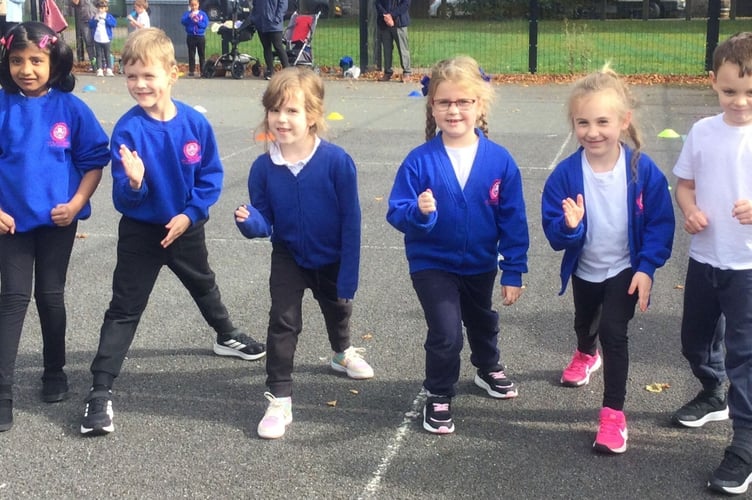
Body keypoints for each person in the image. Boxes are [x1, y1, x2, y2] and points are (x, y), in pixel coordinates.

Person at [79, 28, 266, 437]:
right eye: (131, 76)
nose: (140, 84)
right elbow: (126, 203)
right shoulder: (128, 131)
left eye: (148, 75)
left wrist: (190, 213)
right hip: (142, 234)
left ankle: (226, 335)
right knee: (124, 308)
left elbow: (210, 176)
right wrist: (135, 183)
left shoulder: (195, 124)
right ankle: (99, 389)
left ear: (172, 73)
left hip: (186, 227)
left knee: (203, 284)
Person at [386, 56, 529, 435]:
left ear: (480, 105)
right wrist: (419, 213)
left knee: (482, 318)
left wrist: (513, 268)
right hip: (432, 262)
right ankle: (438, 392)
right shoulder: (419, 161)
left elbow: (513, 219)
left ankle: (487, 366)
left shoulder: (500, 161)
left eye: (463, 101)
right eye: (444, 102)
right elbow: (396, 211)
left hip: (481, 262)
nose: (454, 110)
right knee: (447, 330)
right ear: (431, 106)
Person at [541, 65, 675, 454]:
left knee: (615, 332)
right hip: (586, 269)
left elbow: (660, 224)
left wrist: (647, 267)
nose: (593, 131)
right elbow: (554, 234)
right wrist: (569, 227)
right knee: (586, 322)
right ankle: (585, 353)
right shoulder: (565, 176)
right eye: (583, 122)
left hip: (625, 269)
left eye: (603, 121)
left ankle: (613, 415)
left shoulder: (641, 170)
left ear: (623, 121)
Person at [235, 66, 374, 439]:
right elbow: (264, 221)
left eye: (292, 111)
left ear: (313, 116)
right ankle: (280, 399)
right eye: (275, 110)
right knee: (283, 321)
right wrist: (251, 223)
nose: (282, 119)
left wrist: (349, 273)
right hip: (289, 255)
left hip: (331, 256)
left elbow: (352, 221)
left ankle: (342, 351)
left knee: (337, 307)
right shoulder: (262, 168)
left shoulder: (336, 162)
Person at [0, 22, 110, 432]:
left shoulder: (71, 108)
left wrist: (78, 203)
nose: (25, 69)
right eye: (16, 61)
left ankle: (54, 372)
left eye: (35, 60)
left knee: (50, 296)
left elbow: (94, 160)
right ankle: (3, 391)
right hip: (10, 226)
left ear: (54, 62)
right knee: (12, 298)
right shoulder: (2, 106)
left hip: (57, 222)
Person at [671, 32, 752, 495]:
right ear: (713, 84)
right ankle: (712, 390)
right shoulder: (703, 131)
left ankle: (744, 445)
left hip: (746, 267)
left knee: (746, 356)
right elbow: (685, 185)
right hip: (705, 259)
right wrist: (690, 208)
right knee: (695, 343)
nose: (740, 102)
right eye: (729, 91)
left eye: (749, 92)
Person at [250, 0, 289, 80]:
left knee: (278, 46)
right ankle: (270, 71)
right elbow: (255, 4)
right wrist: (254, 18)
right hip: (261, 24)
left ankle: (287, 71)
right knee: (266, 47)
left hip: (274, 25)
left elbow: (283, 5)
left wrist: (277, 19)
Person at [375, 0, 411, 82]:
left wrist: (391, 15)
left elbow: (405, 4)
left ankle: (406, 72)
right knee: (387, 49)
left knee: (403, 49)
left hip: (400, 22)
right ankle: (387, 72)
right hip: (384, 23)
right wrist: (386, 16)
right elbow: (377, 3)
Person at [88, 0, 116, 76]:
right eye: (99, 8)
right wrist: (95, 20)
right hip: (97, 38)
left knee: (107, 54)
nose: (101, 9)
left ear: (106, 8)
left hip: (106, 39)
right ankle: (99, 69)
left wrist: (106, 20)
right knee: (98, 55)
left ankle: (109, 69)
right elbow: (90, 25)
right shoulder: (95, 16)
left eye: (103, 8)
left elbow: (113, 23)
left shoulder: (108, 16)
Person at [181, 0, 208, 77]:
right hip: (191, 36)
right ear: (190, 5)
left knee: (201, 54)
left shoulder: (203, 14)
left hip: (200, 36)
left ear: (198, 4)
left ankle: (203, 70)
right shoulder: (187, 14)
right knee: (191, 53)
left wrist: (198, 22)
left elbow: (205, 25)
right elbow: (183, 22)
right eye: (192, 5)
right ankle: (191, 70)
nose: (194, 7)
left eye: (195, 5)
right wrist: (189, 18)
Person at [70, 0, 96, 67]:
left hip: (97, 19)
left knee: (99, 42)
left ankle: (102, 63)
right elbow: (75, 2)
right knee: (89, 42)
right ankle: (94, 63)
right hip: (85, 20)